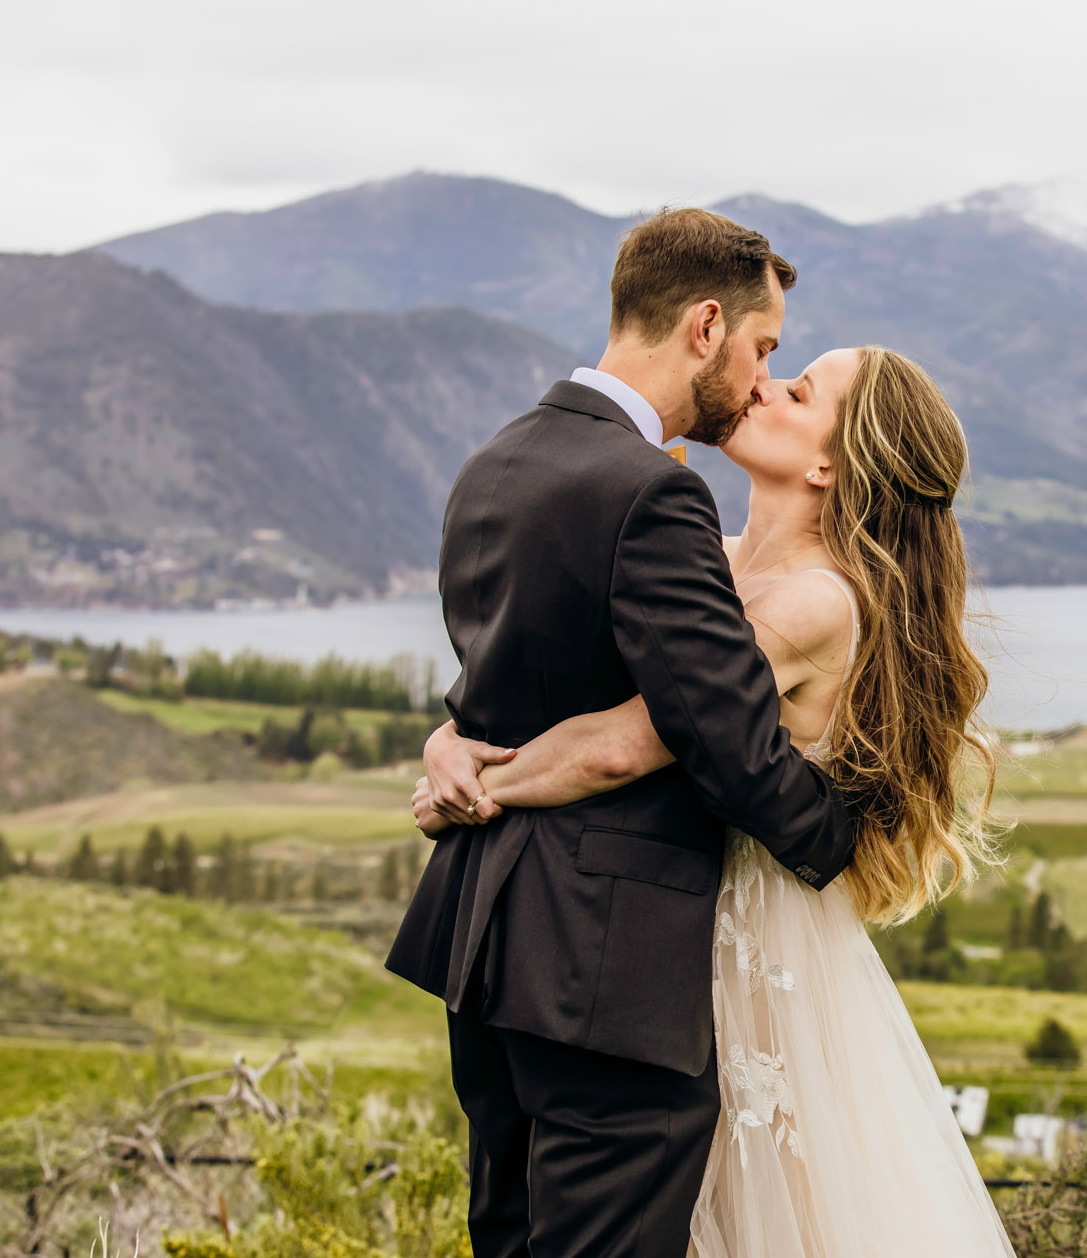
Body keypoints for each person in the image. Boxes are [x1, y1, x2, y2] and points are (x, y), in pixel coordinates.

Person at [416, 342, 1017, 1256]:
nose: (766, 385)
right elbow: (555, 690)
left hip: (729, 934)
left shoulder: (814, 602)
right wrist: (448, 735)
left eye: (801, 389)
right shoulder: (717, 557)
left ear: (827, 464)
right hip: (651, 917)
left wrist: (465, 786)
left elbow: (623, 741)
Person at [386, 208, 861, 1258]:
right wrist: (843, 836)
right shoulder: (653, 493)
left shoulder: (495, 463)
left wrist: (450, 750)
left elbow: (501, 689)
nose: (755, 379)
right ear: (703, 326)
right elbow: (723, 736)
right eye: (760, 348)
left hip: (486, 938)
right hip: (602, 965)